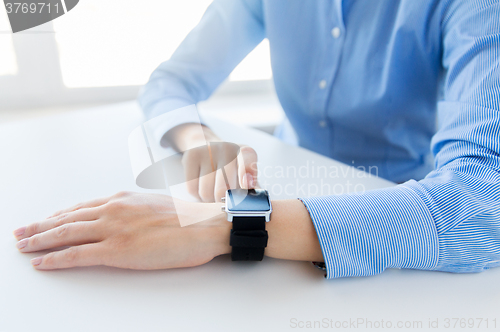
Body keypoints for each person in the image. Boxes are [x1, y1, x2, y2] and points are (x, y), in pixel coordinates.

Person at [13, 0, 500, 278]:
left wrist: (225, 225)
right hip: (285, 182)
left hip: (397, 209)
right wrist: (197, 138)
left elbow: (482, 205)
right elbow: (170, 83)